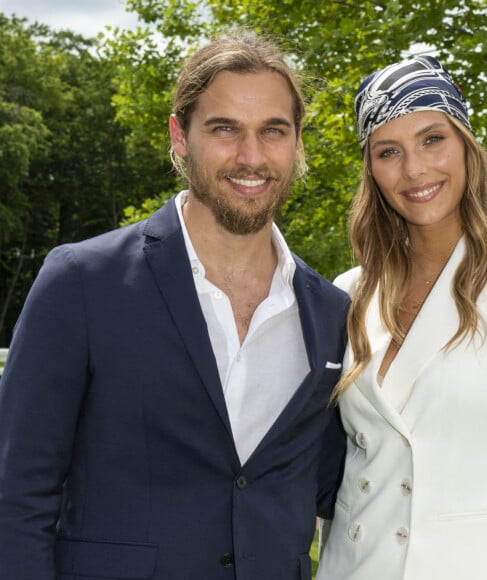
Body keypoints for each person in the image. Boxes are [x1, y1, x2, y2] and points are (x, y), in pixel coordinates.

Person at [0, 32, 349, 580]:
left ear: (298, 141)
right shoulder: (82, 282)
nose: (252, 157)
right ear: (180, 136)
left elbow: (338, 484)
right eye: (225, 128)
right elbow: (15, 495)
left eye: (273, 131)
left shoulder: (330, 311)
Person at [316, 56, 487, 580]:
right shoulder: (349, 292)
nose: (415, 169)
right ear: (371, 169)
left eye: (432, 139)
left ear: (464, 144)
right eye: (389, 151)